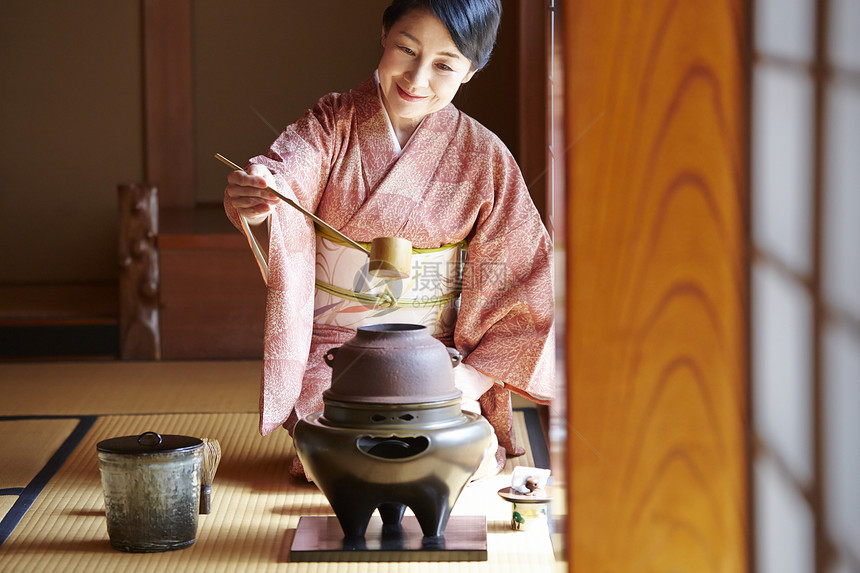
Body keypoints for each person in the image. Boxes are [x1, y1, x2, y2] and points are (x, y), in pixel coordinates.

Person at [223, 0, 553, 480]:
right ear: (384, 34)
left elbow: (525, 277)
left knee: (464, 455)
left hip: (437, 354)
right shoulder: (332, 124)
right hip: (340, 349)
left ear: (471, 71)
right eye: (407, 49)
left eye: (444, 65)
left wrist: (467, 380)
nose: (417, 79)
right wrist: (263, 189)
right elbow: (288, 170)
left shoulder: (485, 157)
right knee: (335, 447)